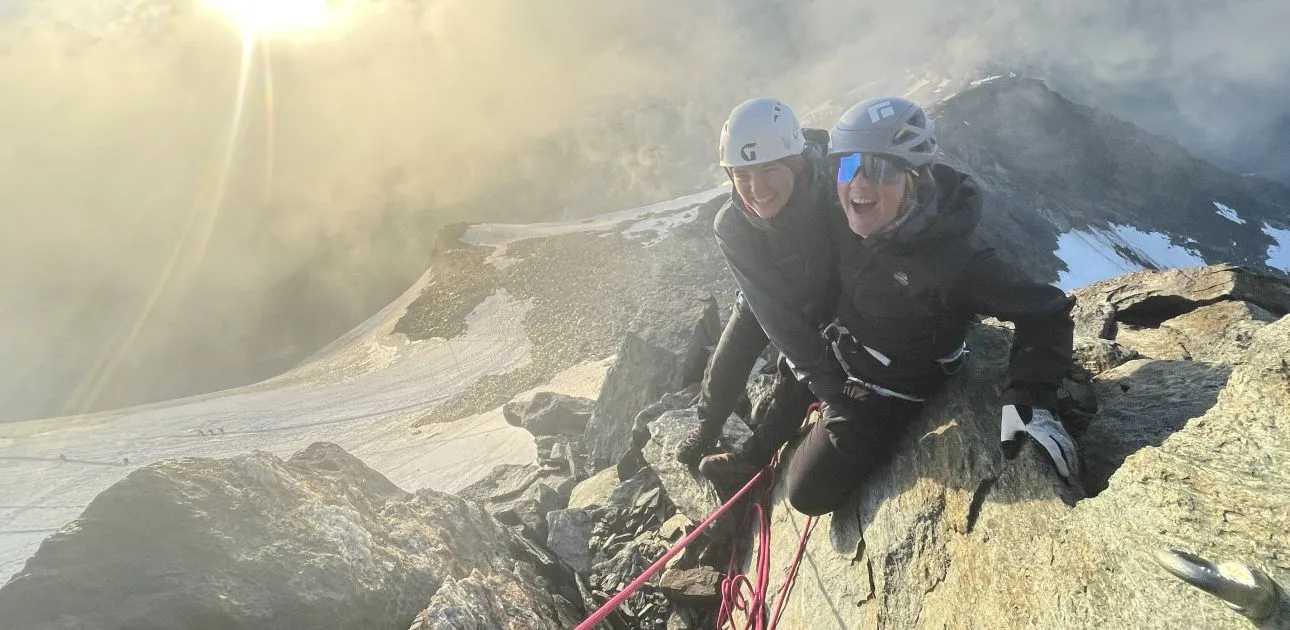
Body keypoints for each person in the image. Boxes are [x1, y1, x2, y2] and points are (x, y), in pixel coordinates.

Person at [702, 96, 1083, 517]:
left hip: (888, 390)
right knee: (792, 376)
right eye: (848, 167)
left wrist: (1029, 397)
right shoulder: (853, 223)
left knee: (806, 494)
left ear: (914, 178)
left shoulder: (952, 262)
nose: (859, 185)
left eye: (881, 169)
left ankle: (766, 466)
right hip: (845, 352)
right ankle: (753, 460)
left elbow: (1046, 310)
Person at [671, 97, 850, 478]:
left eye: (769, 170)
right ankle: (709, 423)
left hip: (835, 302)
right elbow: (776, 317)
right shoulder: (733, 224)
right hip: (766, 298)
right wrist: (817, 373)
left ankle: (754, 459)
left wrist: (828, 385)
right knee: (731, 354)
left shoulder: (836, 181)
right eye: (742, 175)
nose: (757, 189)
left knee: (802, 382)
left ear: (795, 162)